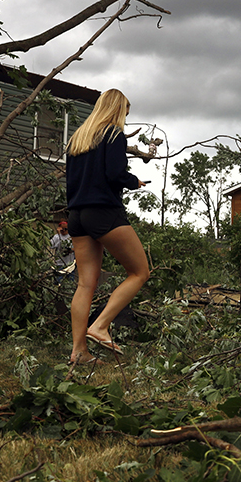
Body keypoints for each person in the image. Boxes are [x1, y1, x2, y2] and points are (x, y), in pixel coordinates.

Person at [64, 89, 150, 365]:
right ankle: (100, 326)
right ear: (117, 109)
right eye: (125, 111)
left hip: (77, 214)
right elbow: (114, 174)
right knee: (139, 271)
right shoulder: (113, 134)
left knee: (85, 283)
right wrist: (133, 180)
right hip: (103, 211)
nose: (125, 117)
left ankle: (79, 352)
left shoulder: (78, 138)